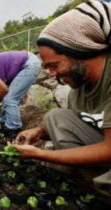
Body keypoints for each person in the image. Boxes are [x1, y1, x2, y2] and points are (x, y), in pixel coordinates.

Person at [12, 0, 111, 190]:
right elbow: (76, 120)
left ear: (79, 52)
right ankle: (92, 175)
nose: (51, 74)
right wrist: (39, 132)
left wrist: (40, 154)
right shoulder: (79, 88)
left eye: (54, 65)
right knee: (55, 117)